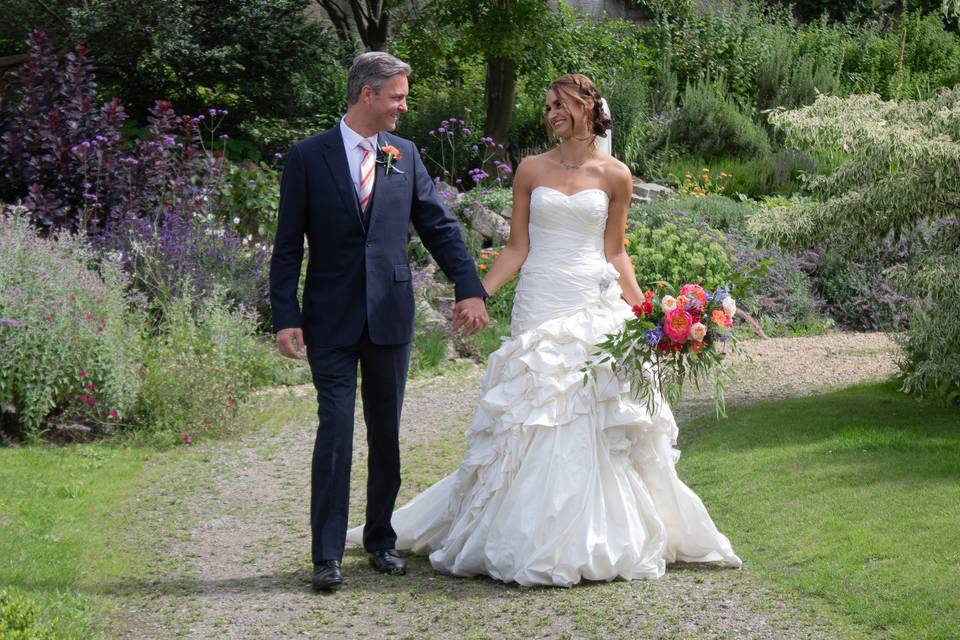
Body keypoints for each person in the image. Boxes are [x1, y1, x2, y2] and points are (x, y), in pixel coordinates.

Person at [347, 73, 741, 586]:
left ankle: (593, 535)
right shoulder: (530, 170)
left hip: (590, 301)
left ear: (586, 105)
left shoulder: (616, 175)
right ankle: (515, 530)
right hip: (540, 302)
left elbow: (615, 252)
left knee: (589, 412)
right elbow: (517, 247)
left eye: (560, 103)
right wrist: (477, 294)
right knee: (533, 411)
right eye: (548, 105)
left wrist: (650, 315)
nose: (552, 112)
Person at [269, 51, 489, 592]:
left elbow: (438, 226)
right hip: (330, 320)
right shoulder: (307, 157)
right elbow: (286, 247)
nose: (403, 105)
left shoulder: (404, 154)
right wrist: (285, 315)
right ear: (367, 94)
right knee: (335, 432)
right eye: (397, 96)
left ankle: (380, 541)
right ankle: (326, 556)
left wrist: (469, 287)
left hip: (390, 316)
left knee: (386, 435)